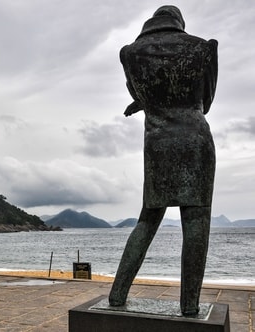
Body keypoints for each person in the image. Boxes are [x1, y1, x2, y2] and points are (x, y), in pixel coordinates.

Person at [108, 5, 218, 316]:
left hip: (156, 144)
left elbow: (144, 92)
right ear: (179, 21)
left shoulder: (130, 54)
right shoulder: (203, 48)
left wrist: (144, 104)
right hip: (195, 141)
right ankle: (190, 305)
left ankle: (117, 294)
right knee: (196, 221)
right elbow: (204, 102)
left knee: (147, 220)